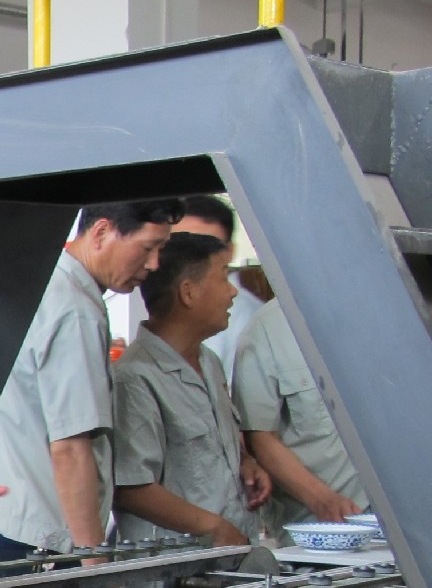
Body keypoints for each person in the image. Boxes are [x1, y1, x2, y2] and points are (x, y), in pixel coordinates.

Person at [0, 199, 182, 588]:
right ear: (101, 232)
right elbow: (70, 447)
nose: (154, 264)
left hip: (2, 520)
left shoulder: (39, 283)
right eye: (147, 247)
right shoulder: (75, 310)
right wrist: (95, 565)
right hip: (44, 543)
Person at [112, 232, 273, 546]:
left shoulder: (208, 361)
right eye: (224, 278)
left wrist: (245, 463)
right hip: (175, 566)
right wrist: (214, 528)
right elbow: (131, 487)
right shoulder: (135, 378)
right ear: (188, 293)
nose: (233, 292)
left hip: (227, 558)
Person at [231, 299, 368, 530]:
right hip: (319, 526)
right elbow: (259, 439)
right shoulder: (268, 328)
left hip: (407, 520)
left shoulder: (395, 308)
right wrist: (322, 499)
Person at [173, 193, 264, 380]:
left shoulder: (245, 317)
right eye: (176, 245)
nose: (188, 259)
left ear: (229, 252)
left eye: (205, 249)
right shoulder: (158, 298)